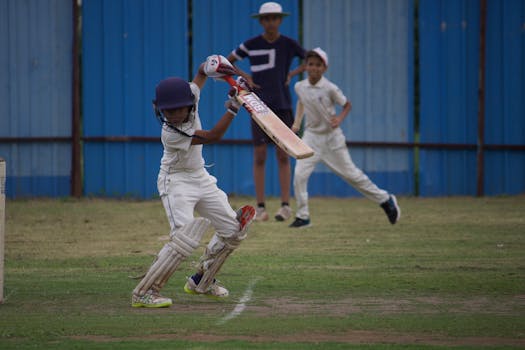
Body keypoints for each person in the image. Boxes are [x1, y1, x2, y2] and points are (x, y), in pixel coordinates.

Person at [131, 55, 256, 308]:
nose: (174, 114)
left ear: (189, 103)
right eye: (168, 110)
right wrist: (233, 107)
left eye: (179, 109)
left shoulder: (190, 93)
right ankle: (144, 292)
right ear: (159, 109)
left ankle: (201, 280)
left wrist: (211, 66)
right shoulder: (171, 133)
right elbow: (212, 136)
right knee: (184, 238)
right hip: (175, 181)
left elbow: (201, 73)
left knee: (234, 231)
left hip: (200, 176)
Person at [289, 48, 401, 228]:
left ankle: (386, 200)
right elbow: (302, 102)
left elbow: (347, 105)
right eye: (311, 64)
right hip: (310, 138)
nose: (314, 68)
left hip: (332, 139)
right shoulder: (299, 86)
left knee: (352, 176)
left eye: (318, 65)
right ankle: (303, 216)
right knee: (299, 176)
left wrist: (339, 119)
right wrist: (296, 124)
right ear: (305, 67)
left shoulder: (330, 88)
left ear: (324, 68)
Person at [227, 1, 306, 222]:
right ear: (261, 22)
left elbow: (309, 59)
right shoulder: (251, 44)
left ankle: (285, 206)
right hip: (258, 106)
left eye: (275, 18)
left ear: (280, 20)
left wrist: (292, 74)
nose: (271, 22)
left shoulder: (289, 44)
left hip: (283, 105)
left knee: (283, 154)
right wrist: (246, 78)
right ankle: (260, 209)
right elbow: (228, 61)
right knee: (260, 154)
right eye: (267, 18)